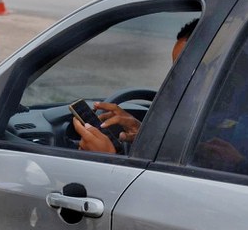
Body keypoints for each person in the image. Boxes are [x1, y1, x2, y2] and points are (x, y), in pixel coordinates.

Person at [75, 18, 199, 153]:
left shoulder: (216, 123)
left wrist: (107, 157)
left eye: (186, 70)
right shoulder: (204, 118)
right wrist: (143, 135)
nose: (177, 79)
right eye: (175, 70)